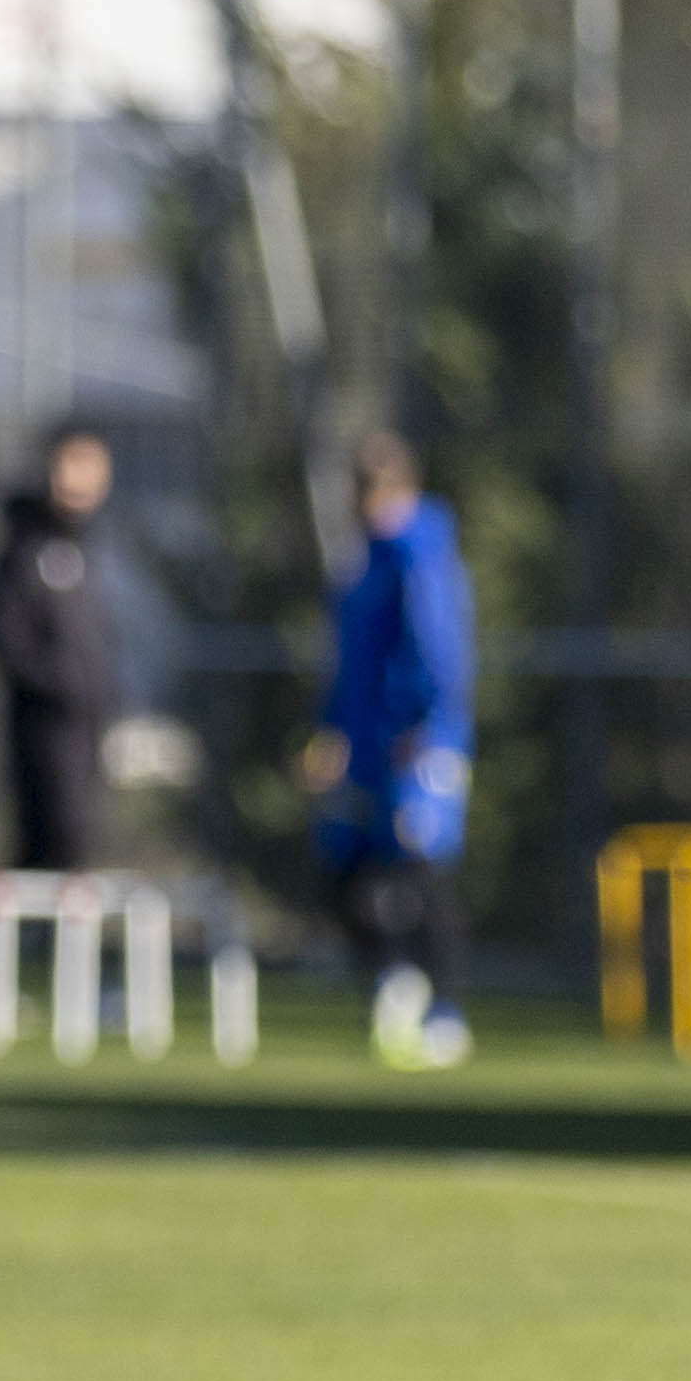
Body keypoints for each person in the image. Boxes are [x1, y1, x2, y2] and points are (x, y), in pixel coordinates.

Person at [303, 430, 477, 1069]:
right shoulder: (363, 565)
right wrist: (332, 732)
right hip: (365, 745)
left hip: (415, 744)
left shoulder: (421, 556)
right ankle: (393, 982)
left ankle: (448, 1012)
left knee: (423, 869)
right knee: (345, 865)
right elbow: (348, 664)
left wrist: (428, 726)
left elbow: (441, 651)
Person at [0, 424, 121, 874]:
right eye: (72, 463)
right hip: (42, 725)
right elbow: (3, 632)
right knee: (52, 843)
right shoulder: (25, 544)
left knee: (79, 845)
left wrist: (103, 693)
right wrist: (58, 685)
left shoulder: (95, 545)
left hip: (90, 721)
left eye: (93, 466)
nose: (81, 478)